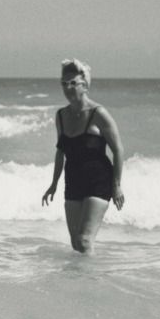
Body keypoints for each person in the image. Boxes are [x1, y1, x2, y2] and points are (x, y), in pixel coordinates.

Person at [41, 58, 124, 253]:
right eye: (64, 83)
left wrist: (117, 186)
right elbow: (60, 151)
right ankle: (86, 273)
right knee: (76, 244)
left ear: (85, 85)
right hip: (73, 180)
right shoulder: (61, 115)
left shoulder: (99, 113)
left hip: (99, 180)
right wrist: (53, 184)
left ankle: (91, 273)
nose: (68, 88)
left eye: (73, 83)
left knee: (85, 241)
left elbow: (118, 150)